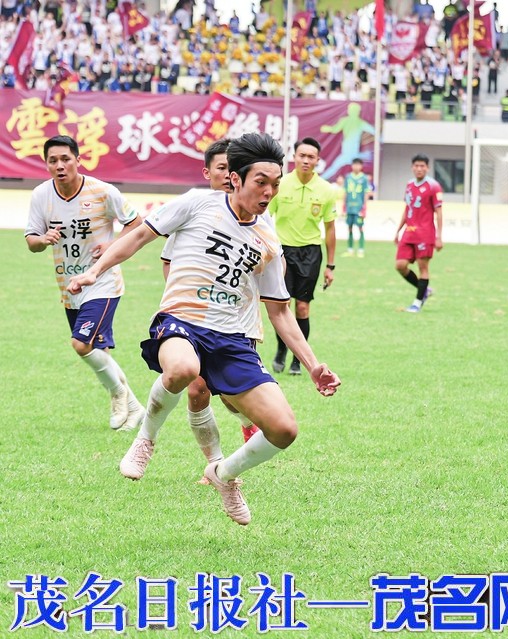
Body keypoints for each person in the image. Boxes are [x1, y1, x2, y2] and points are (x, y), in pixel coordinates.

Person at [67, 132, 341, 526]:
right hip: (182, 321)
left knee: (284, 430)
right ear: (235, 179)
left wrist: (313, 364)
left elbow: (280, 312)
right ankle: (145, 439)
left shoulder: (268, 239)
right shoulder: (197, 203)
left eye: (275, 185)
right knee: (182, 370)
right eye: (260, 182)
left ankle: (223, 475)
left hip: (233, 341)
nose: (268, 192)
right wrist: (95, 271)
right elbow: (139, 236)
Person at [25, 135, 145, 432]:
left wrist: (112, 246)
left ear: (78, 159)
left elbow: (136, 222)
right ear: (47, 164)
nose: (60, 165)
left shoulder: (102, 191)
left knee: (81, 344)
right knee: (97, 351)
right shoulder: (42, 195)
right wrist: (43, 239)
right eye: (53, 160)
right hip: (69, 285)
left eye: (65, 159)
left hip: (103, 281)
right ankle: (132, 405)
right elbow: (31, 241)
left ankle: (118, 394)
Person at [159, 139, 260, 477]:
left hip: (238, 322)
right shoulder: (194, 211)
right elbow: (169, 262)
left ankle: (248, 422)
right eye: (221, 168)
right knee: (197, 388)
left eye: (233, 169)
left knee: (233, 398)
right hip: (194, 320)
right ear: (210, 173)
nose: (228, 175)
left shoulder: (256, 217)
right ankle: (215, 464)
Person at [268, 137, 338, 376]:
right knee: (282, 305)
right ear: (294, 157)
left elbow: (330, 229)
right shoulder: (280, 184)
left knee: (303, 308)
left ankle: (298, 359)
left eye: (311, 157)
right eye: (302, 155)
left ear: (318, 160)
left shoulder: (326, 191)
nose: (306, 160)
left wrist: (331, 265)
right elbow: (266, 220)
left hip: (310, 252)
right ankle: (280, 350)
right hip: (282, 252)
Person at [395, 154, 443, 313]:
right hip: (409, 233)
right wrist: (398, 230)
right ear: (412, 167)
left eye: (422, 166)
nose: (419, 169)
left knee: (423, 268)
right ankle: (425, 290)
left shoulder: (433, 186)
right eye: (416, 166)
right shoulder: (409, 185)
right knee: (400, 265)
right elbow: (407, 208)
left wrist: (439, 237)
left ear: (427, 168)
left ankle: (417, 302)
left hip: (425, 234)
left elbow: (439, 212)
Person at [342, 157, 374, 258]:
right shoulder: (348, 177)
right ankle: (350, 250)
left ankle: (361, 250)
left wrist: (364, 207)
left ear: (361, 166)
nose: (356, 166)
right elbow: (345, 192)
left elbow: (366, 193)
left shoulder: (364, 178)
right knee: (349, 228)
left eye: (358, 164)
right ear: (352, 166)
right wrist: (344, 206)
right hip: (349, 208)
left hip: (359, 208)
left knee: (360, 228)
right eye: (354, 164)